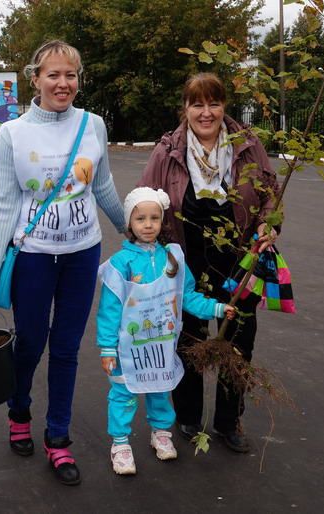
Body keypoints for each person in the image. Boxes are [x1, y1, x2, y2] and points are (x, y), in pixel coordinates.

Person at [0, 40, 126, 486]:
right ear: (35, 79)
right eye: (53, 74)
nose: (63, 83)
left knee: (67, 349)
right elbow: (4, 203)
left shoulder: (93, 125)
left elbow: (103, 186)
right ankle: (19, 413)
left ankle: (58, 438)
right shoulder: (12, 133)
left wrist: (132, 232)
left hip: (82, 254)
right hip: (33, 257)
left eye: (70, 75)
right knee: (31, 344)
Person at [137, 72, 280, 452]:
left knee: (239, 342)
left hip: (239, 262)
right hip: (187, 262)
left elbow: (270, 191)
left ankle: (229, 422)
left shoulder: (247, 144)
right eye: (197, 104)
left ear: (224, 106)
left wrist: (267, 222)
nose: (206, 112)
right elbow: (143, 200)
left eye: (213, 103)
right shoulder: (168, 150)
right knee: (189, 340)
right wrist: (149, 251)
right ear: (185, 108)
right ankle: (188, 416)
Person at [97, 187, 236, 474]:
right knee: (123, 394)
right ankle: (120, 444)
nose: (148, 225)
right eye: (140, 219)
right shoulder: (121, 263)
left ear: (162, 221)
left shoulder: (173, 258)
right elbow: (109, 310)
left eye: (155, 218)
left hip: (161, 346)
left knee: (161, 390)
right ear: (129, 223)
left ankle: (161, 433)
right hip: (128, 348)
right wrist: (107, 347)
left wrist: (216, 309)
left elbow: (187, 296)